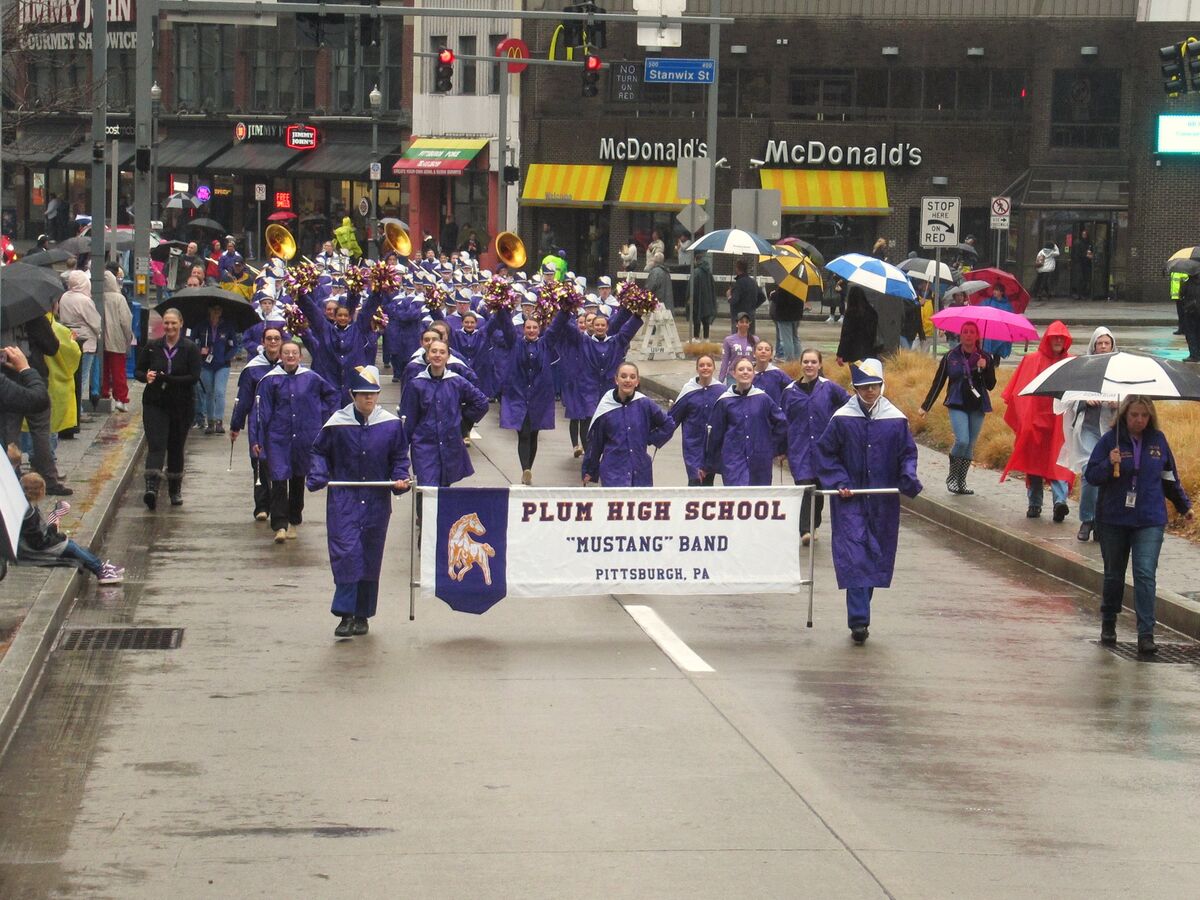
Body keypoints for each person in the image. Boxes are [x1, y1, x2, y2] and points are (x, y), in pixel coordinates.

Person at [815, 358, 923, 644]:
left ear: (881, 385)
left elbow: (907, 455)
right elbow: (825, 454)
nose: (869, 392)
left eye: (874, 386)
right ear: (855, 389)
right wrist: (840, 481)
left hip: (882, 501)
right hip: (850, 500)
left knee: (874, 556)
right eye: (863, 387)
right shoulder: (841, 419)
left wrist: (907, 476)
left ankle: (862, 611)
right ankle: (859, 621)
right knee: (854, 555)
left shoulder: (896, 420)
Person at [307, 366, 411, 638]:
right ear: (352, 394)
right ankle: (344, 613)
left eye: (373, 394)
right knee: (346, 552)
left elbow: (400, 457)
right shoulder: (337, 424)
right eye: (364, 394)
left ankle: (363, 614)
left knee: (369, 555)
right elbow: (319, 452)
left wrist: (400, 478)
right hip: (345, 498)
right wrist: (318, 474)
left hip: (376, 499)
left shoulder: (389, 424)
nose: (369, 400)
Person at [1085, 396, 1192, 654]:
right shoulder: (1111, 440)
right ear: (1125, 414)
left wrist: (1183, 505)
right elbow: (1091, 476)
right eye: (1134, 415)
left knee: (1145, 572)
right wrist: (1108, 462)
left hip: (1149, 517)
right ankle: (1109, 621)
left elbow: (1169, 478)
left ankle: (1146, 632)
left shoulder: (1158, 440)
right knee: (1114, 574)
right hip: (1114, 518)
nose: (1139, 420)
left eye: (1144, 415)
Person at [252, 340, 339, 543]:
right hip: (278, 436)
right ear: (281, 356)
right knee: (279, 478)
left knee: (298, 478)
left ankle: (294, 519)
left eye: (294, 353)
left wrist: (323, 418)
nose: (290, 356)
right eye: (286, 353)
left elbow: (332, 396)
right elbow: (261, 411)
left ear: (300, 357)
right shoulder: (270, 381)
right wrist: (257, 438)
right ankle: (280, 525)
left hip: (304, 436)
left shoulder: (311, 378)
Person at [1002, 320, 1076, 520]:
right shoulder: (1032, 360)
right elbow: (1019, 392)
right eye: (1055, 337)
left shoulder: (1071, 363)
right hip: (1036, 421)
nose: (1058, 341)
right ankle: (1035, 503)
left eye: (1062, 337)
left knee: (1059, 462)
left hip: (1059, 424)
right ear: (1048, 339)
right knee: (1034, 463)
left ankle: (1059, 502)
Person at [549, 304, 643, 458]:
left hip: (608, 390)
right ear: (591, 326)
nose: (599, 327)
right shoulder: (583, 341)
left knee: (609, 422)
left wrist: (637, 315)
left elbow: (627, 331)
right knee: (588, 421)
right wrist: (562, 311)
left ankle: (605, 453)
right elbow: (568, 329)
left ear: (607, 327)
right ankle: (590, 455)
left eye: (603, 325)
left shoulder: (615, 342)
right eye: (596, 325)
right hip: (588, 390)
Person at [919, 321, 997, 495]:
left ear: (977, 336)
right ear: (960, 335)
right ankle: (952, 477)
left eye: (972, 332)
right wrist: (926, 406)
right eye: (965, 332)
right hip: (957, 402)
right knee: (962, 440)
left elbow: (991, 385)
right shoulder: (950, 356)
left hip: (977, 405)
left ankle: (961, 481)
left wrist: (985, 368)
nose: (968, 335)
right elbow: (938, 382)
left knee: (970, 445)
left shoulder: (985, 356)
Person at [781, 348, 850, 545]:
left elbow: (848, 404)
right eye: (806, 362)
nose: (809, 366)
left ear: (820, 365)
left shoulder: (829, 388)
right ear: (801, 364)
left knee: (818, 488)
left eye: (813, 362)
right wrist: (781, 448)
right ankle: (804, 530)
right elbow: (782, 420)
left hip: (823, 448)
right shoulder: (789, 392)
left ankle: (814, 524)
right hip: (799, 448)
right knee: (804, 486)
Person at [398, 339, 489, 487]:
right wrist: (400, 457)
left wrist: (462, 422)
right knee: (427, 488)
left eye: (442, 352)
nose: (437, 355)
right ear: (427, 355)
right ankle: (423, 511)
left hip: (450, 444)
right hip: (424, 446)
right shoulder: (416, 384)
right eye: (434, 351)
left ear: (448, 356)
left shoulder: (457, 382)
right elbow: (409, 419)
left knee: (444, 491)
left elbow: (482, 402)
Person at [136, 308, 202, 509]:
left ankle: (174, 489)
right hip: (155, 403)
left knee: (175, 446)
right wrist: (146, 377)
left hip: (181, 404)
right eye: (166, 323)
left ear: (181, 324)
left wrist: (168, 378)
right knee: (156, 444)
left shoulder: (190, 348)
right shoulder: (152, 346)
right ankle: (151, 489)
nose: (170, 327)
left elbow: (193, 377)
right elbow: (138, 370)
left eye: (174, 323)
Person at [1056, 327, 1118, 542]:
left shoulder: (1119, 370)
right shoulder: (1084, 369)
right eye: (1099, 343)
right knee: (1091, 473)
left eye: (1106, 343)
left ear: (1112, 345)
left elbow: (1131, 400)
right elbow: (1065, 399)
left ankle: (1102, 521)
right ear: (1093, 345)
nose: (1103, 347)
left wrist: (1118, 404)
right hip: (1088, 431)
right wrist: (1084, 400)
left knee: (1107, 477)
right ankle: (1087, 519)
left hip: (1110, 432)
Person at [487, 309, 556, 485]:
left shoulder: (546, 343)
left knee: (534, 433)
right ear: (523, 329)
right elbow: (507, 326)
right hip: (517, 395)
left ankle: (528, 469)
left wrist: (563, 308)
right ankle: (525, 468)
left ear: (539, 329)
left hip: (539, 397)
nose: (531, 330)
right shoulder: (515, 343)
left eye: (534, 327)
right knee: (523, 433)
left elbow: (558, 326)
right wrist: (501, 305)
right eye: (528, 327)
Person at [17, 472, 124, 584]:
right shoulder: (30, 513)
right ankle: (100, 571)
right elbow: (38, 542)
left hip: (35, 543)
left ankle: (100, 566)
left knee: (73, 546)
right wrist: (56, 535)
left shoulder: (27, 506)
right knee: (71, 547)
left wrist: (54, 532)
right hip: (32, 549)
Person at [581, 363, 674, 487]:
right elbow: (596, 442)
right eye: (623, 376)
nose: (628, 380)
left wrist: (650, 438)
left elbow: (668, 424)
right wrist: (589, 470)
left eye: (632, 377)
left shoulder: (645, 404)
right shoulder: (606, 408)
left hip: (640, 471)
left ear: (637, 381)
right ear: (616, 379)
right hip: (613, 472)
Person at [703, 357, 787, 486]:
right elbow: (715, 434)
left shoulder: (763, 399)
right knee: (737, 497)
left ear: (753, 374)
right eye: (741, 369)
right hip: (733, 457)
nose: (745, 372)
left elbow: (781, 422)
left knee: (758, 498)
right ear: (733, 373)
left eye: (749, 369)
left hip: (760, 458)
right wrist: (708, 464)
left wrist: (773, 447)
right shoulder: (724, 401)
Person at [229, 326, 283, 522]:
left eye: (276, 338)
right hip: (258, 422)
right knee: (260, 463)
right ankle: (261, 506)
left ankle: (279, 507)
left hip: (282, 423)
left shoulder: (288, 366)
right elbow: (243, 399)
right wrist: (236, 425)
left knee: (278, 465)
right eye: (269, 338)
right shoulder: (252, 369)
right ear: (263, 342)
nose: (273, 342)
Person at [669, 354, 725, 486]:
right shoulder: (688, 391)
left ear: (714, 368)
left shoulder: (722, 391)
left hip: (712, 445)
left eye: (709, 365)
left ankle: (706, 506)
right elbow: (673, 418)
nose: (705, 368)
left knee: (707, 482)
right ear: (697, 369)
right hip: (693, 443)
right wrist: (656, 436)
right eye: (701, 365)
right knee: (695, 479)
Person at [57, 269, 101, 419]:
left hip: (69, 340)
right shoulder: (85, 300)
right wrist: (99, 332)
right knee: (82, 377)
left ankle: (71, 409)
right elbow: (95, 322)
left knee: (72, 375)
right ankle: (78, 410)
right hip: (86, 342)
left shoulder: (64, 297)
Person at [191, 303, 238, 434]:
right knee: (209, 392)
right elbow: (192, 340)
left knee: (219, 391)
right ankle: (210, 422)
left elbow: (234, 346)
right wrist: (200, 350)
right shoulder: (201, 325)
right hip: (205, 364)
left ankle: (219, 421)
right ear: (209, 310)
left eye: (219, 309)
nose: (216, 312)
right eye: (213, 309)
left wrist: (227, 357)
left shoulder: (228, 326)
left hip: (222, 364)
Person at [100, 268, 133, 412]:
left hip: (101, 340)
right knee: (119, 370)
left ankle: (104, 392)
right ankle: (121, 398)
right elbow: (126, 321)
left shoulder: (98, 296)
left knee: (103, 370)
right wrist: (128, 338)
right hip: (117, 338)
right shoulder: (119, 298)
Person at [835, 287, 881, 367]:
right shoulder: (872, 312)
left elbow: (846, 335)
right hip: (870, 351)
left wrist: (840, 354)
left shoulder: (851, 313)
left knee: (856, 375)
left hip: (854, 352)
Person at [727, 258, 765, 335]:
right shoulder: (753, 282)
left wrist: (729, 296)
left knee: (738, 338)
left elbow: (734, 300)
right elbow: (762, 297)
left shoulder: (739, 283)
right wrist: (754, 306)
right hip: (750, 315)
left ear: (737, 268)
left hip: (738, 316)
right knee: (750, 339)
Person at [978, 284, 1015, 359]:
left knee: (997, 353)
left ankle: (995, 365)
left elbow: (1010, 318)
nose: (994, 291)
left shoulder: (1007, 305)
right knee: (986, 352)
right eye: (994, 289)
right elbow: (980, 310)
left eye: (997, 290)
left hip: (1001, 331)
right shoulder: (988, 301)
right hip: (989, 330)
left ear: (1002, 292)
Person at [719, 313, 758, 383]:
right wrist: (720, 380)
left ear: (749, 324)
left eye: (746, 322)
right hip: (733, 376)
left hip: (750, 376)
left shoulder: (755, 340)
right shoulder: (728, 340)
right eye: (742, 322)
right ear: (737, 324)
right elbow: (725, 361)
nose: (744, 324)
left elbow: (758, 360)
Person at [687, 252, 717, 341]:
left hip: (697, 299)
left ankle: (696, 337)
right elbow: (712, 286)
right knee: (706, 319)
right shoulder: (709, 273)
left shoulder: (696, 272)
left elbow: (691, 287)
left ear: (696, 260)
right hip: (707, 300)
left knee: (697, 318)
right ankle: (706, 338)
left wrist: (689, 297)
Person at [769, 286, 804, 361]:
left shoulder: (786, 284)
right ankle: (798, 359)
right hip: (797, 314)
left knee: (787, 339)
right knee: (795, 338)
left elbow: (781, 298)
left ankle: (790, 361)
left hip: (784, 315)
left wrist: (772, 295)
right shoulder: (801, 284)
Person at [750, 339, 791, 404]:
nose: (763, 351)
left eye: (767, 349)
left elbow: (792, 391)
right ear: (754, 354)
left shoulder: (779, 374)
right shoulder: (748, 374)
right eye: (760, 349)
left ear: (771, 354)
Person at [1180, 274, 1200, 363]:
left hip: (1191, 310)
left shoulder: (1188, 282)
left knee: (1191, 333)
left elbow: (1181, 294)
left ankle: (1194, 355)